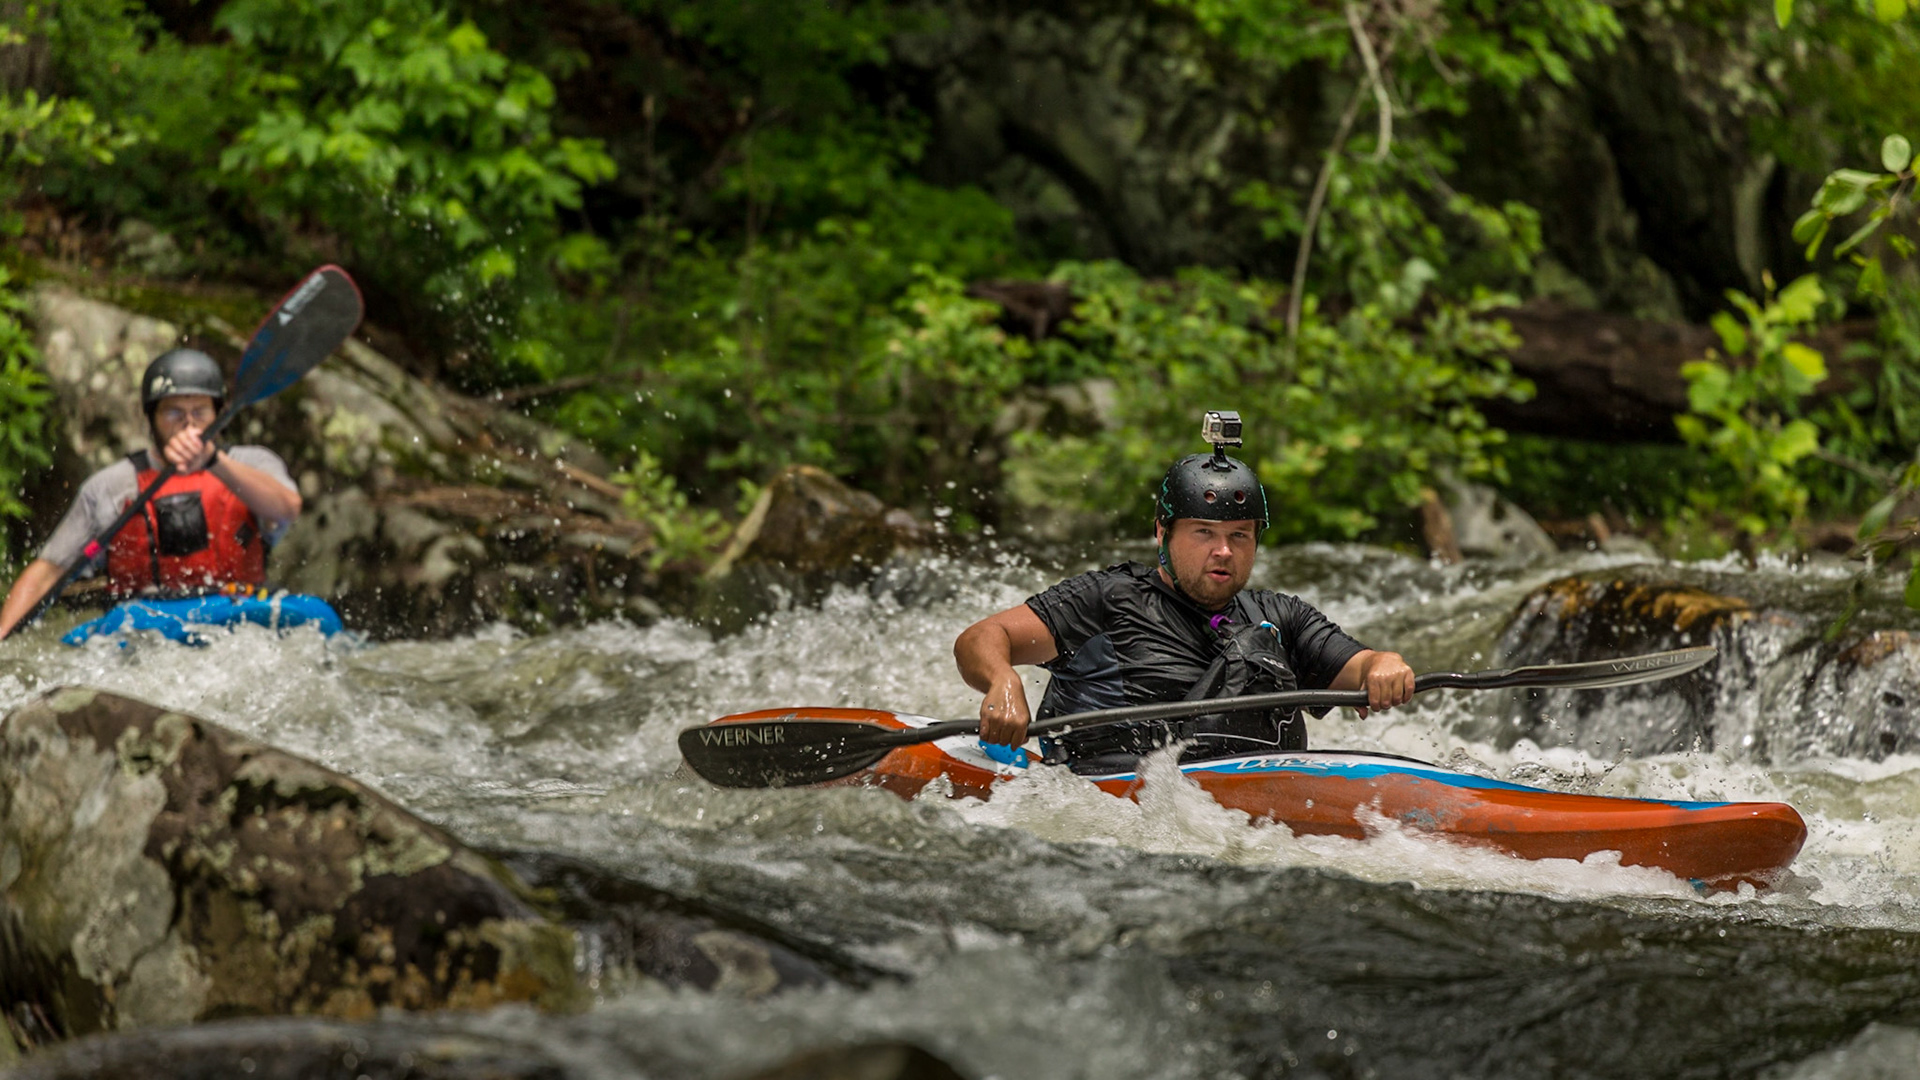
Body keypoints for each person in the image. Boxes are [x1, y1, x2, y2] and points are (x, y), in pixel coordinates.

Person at [954, 426, 1415, 774]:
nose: (1223, 551)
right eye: (1203, 533)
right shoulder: (1107, 599)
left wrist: (1386, 665)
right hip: (1105, 796)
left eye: (1239, 535)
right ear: (1162, 532)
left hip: (1249, 812)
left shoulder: (1282, 616)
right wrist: (1002, 682)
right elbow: (981, 638)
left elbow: (1362, 666)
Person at [0, 347, 303, 640]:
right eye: (173, 412)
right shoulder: (112, 486)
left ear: (218, 414)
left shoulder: (251, 464)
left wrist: (214, 462)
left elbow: (287, 508)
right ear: (150, 416)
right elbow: (50, 569)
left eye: (199, 411)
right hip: (144, 626)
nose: (188, 423)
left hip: (237, 614)